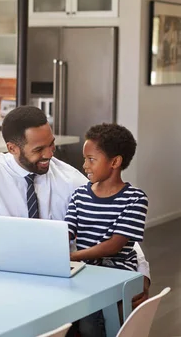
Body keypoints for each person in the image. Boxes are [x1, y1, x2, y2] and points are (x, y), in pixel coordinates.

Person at [0, 106, 151, 307]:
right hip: (5, 281)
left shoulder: (70, 178)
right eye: (38, 149)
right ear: (12, 148)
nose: (49, 154)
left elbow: (119, 231)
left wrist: (142, 274)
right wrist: (6, 245)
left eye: (51, 145)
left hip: (61, 284)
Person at [64, 123, 148, 336]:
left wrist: (73, 256)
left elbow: (114, 245)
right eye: (85, 159)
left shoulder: (135, 199)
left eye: (91, 159)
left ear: (115, 162)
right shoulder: (79, 195)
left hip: (116, 271)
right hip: (84, 269)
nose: (85, 166)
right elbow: (67, 231)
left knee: (90, 323)